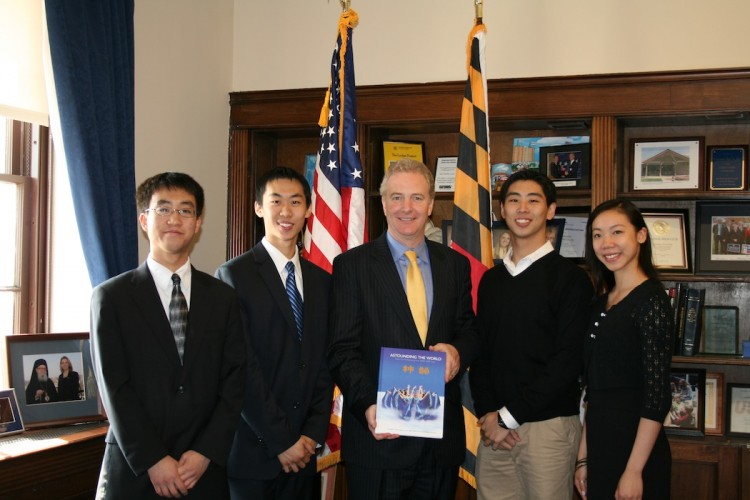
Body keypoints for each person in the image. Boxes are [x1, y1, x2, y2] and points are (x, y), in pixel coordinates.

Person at [327, 158, 480, 500]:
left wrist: (457, 352)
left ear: (430, 205)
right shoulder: (353, 266)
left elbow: (469, 331)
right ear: (383, 204)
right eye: (396, 197)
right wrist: (369, 404)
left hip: (439, 444)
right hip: (379, 441)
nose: (406, 208)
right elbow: (341, 349)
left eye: (416, 197)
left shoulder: (454, 265)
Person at [90, 172, 246, 499]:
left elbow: (234, 381)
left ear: (198, 223)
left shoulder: (223, 297)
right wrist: (153, 459)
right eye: (163, 209)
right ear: (144, 220)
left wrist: (206, 452)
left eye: (185, 211)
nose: (174, 219)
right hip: (136, 473)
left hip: (202, 472)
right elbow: (114, 387)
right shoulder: (111, 298)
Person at [469, 169, 593, 500]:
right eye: (514, 200)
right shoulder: (492, 280)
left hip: (547, 429)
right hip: (494, 429)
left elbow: (567, 361)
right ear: (502, 211)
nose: (523, 209)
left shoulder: (572, 280)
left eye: (533, 200)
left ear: (550, 211)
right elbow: (481, 352)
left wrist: (509, 417)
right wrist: (490, 416)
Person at [215, 167, 333, 500]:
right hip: (255, 456)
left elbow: (324, 364)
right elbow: (241, 370)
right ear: (258, 207)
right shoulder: (233, 276)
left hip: (304, 456)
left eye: (295, 202)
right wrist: (283, 442)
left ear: (308, 210)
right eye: (276, 201)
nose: (286, 212)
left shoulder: (321, 281)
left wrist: (310, 435)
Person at [575, 198, 673, 499]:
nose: (607, 243)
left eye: (617, 232)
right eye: (597, 234)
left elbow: (657, 397)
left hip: (636, 452)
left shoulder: (652, 301)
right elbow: (593, 391)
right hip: (600, 446)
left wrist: (634, 470)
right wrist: (583, 458)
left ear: (641, 235)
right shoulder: (601, 302)